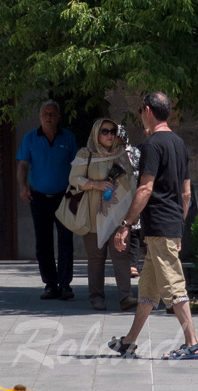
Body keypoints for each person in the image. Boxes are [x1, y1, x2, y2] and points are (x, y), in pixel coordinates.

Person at [107, 92, 198, 362]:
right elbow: (186, 194)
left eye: (140, 110)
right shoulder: (179, 144)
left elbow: (145, 188)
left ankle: (193, 343)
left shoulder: (151, 146)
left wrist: (125, 225)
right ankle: (129, 342)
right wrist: (179, 227)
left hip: (159, 225)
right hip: (169, 224)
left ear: (147, 110)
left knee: (173, 285)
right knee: (148, 291)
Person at [65, 119, 135, 312]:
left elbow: (131, 180)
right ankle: (96, 297)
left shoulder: (121, 154)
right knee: (96, 257)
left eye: (113, 131)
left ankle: (126, 297)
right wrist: (96, 185)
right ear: (96, 133)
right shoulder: (85, 154)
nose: (110, 135)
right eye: (105, 131)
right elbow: (74, 179)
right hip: (94, 214)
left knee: (121, 254)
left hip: (117, 214)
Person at [15, 99, 77, 301]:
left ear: (59, 116)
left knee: (66, 241)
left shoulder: (68, 138)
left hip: (63, 197)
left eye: (52, 113)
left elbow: (77, 166)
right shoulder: (30, 138)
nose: (48, 116)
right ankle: (50, 284)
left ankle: (65, 284)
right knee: (43, 243)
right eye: (45, 113)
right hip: (39, 197)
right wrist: (22, 187)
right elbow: (23, 165)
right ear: (40, 116)